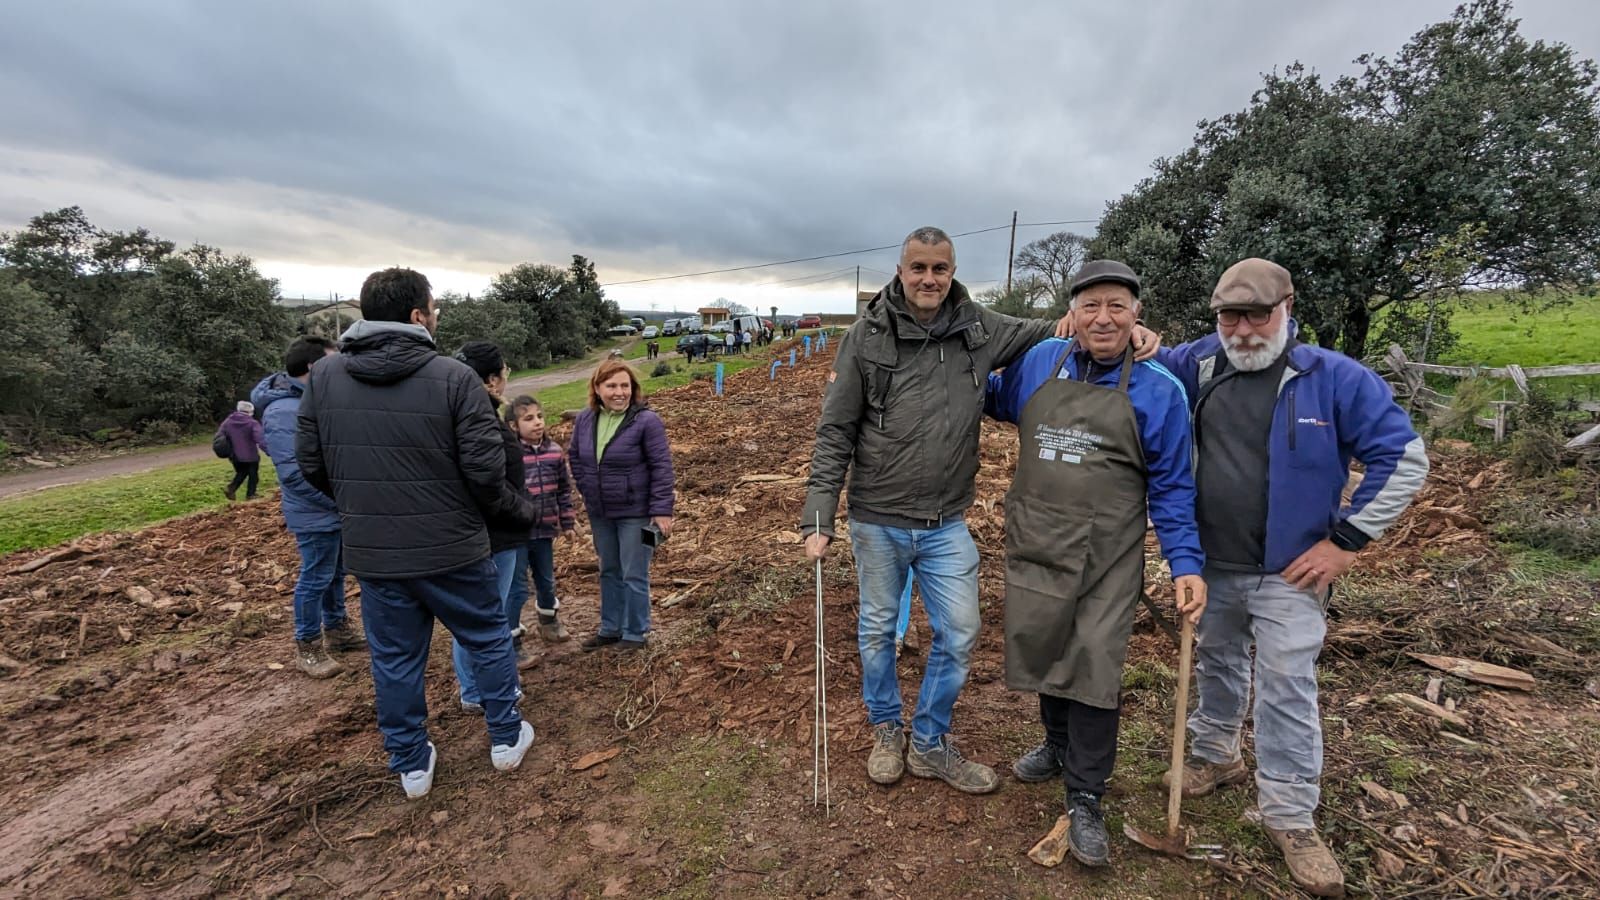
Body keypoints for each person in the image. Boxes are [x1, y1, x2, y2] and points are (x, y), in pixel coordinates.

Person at [800, 226, 1161, 796]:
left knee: (961, 633)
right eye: (918, 268)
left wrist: (1124, 326)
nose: (928, 279)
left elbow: (1059, 329)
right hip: (877, 518)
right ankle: (886, 729)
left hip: (946, 522)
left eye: (939, 269)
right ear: (901, 271)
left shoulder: (979, 326)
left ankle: (929, 739)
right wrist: (819, 515)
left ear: (952, 271)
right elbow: (835, 428)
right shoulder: (865, 337)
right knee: (876, 632)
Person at [1156, 258, 1428, 897]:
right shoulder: (1195, 366)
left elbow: (1405, 456)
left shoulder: (1333, 377)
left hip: (1293, 571)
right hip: (1210, 561)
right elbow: (1137, 356)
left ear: (1287, 309)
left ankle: (1289, 815)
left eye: (1258, 315)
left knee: (1285, 684)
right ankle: (1215, 755)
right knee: (1217, 660)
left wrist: (1348, 542)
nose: (1244, 330)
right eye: (1231, 316)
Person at [985, 260, 1206, 868]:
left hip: (1107, 556)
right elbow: (995, 399)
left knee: (1093, 667)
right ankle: (1055, 747)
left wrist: (1185, 562)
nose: (1103, 318)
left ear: (1138, 314)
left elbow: (1173, 488)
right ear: (1073, 313)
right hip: (1037, 542)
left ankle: (1085, 794)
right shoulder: (1040, 362)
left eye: (1117, 306)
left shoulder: (1161, 387)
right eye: (1091, 306)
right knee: (1043, 645)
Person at [296, 267, 537, 799]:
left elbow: (311, 464)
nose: (436, 316)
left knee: (395, 659)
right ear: (416, 317)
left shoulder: (325, 381)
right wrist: (518, 513)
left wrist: (366, 505)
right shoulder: (454, 379)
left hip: (378, 556)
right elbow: (485, 474)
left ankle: (410, 764)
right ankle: (504, 737)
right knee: (487, 637)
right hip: (455, 549)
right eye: (434, 308)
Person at [252, 336, 363, 679]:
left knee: (334, 573)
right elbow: (296, 476)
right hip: (315, 512)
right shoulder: (283, 412)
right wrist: (341, 501)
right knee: (315, 576)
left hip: (332, 507)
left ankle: (338, 629)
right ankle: (308, 646)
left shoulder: (312, 401)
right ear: (315, 368)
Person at [449, 341, 540, 707]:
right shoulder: (480, 419)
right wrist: (524, 510)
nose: (507, 378)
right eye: (504, 371)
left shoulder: (459, 413)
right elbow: (489, 485)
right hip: (494, 534)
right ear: (490, 380)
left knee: (481, 615)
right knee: (488, 617)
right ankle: (479, 691)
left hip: (485, 531)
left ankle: (477, 687)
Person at [567, 360, 675, 651]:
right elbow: (575, 456)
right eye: (611, 386)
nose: (619, 392)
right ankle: (610, 628)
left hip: (635, 511)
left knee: (633, 573)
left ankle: (635, 633)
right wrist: (587, 488)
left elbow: (661, 467)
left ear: (633, 388)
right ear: (597, 388)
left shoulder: (646, 421)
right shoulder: (585, 419)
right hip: (601, 511)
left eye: (624, 385)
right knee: (608, 570)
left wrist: (662, 510)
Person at [507, 394, 577, 645]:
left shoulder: (555, 452)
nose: (537, 422)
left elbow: (563, 490)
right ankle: (512, 640)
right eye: (528, 419)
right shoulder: (510, 455)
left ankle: (548, 621)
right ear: (514, 426)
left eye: (539, 416)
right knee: (516, 589)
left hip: (545, 531)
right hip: (516, 535)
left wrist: (567, 522)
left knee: (546, 581)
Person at [217, 401, 267, 500]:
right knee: (253, 475)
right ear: (250, 411)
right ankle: (251, 494)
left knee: (242, 472)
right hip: (250, 455)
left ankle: (231, 488)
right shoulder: (252, 423)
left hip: (234, 455)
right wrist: (268, 450)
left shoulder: (228, 421)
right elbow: (260, 438)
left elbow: (220, 436)